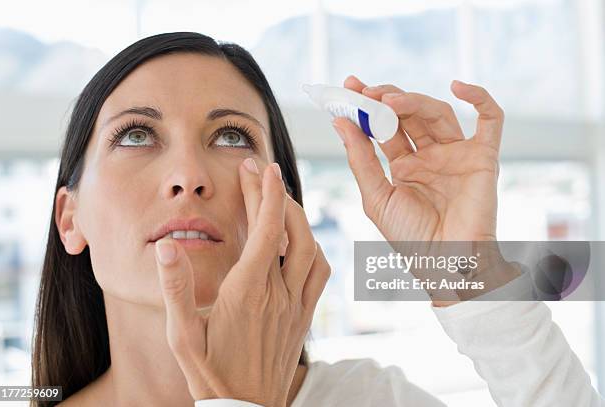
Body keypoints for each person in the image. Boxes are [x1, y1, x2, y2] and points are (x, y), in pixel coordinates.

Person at [30, 32, 604, 407]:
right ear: (69, 218)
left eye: (230, 136)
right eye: (136, 135)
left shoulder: (370, 399)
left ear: (282, 209)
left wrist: (468, 274)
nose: (188, 175)